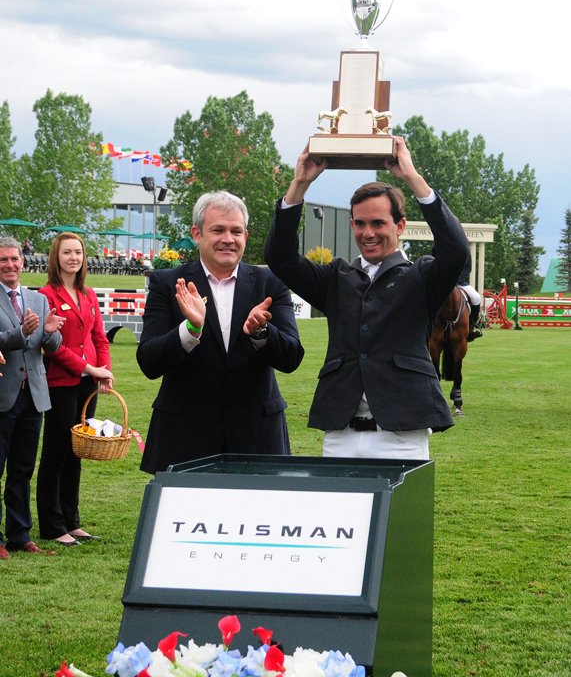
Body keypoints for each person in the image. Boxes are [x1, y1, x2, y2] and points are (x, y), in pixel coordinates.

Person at [264, 138, 470, 460]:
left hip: (402, 433)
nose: (368, 233)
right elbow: (280, 258)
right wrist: (299, 185)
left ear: (400, 226)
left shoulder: (422, 276)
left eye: (378, 223)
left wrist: (412, 178)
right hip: (341, 433)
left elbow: (456, 250)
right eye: (359, 223)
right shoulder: (336, 279)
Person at [137, 190, 304, 474]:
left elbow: (291, 358)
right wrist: (190, 330)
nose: (228, 238)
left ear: (245, 236)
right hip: (186, 439)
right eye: (218, 230)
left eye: (236, 231)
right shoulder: (167, 283)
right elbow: (149, 362)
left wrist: (261, 332)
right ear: (197, 233)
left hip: (256, 439)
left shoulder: (271, 283)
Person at [37, 233, 114, 546]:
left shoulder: (88, 293)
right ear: (56, 257)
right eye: (67, 252)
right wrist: (90, 368)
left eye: (78, 252)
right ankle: (53, 526)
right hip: (62, 382)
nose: (73, 257)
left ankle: (72, 521)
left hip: (87, 383)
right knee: (56, 454)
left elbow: (99, 337)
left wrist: (103, 370)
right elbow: (53, 347)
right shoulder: (46, 295)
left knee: (77, 452)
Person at [0, 236, 64, 559]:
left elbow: (51, 346)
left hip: (34, 395)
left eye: (14, 259)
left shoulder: (37, 299)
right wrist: (22, 333)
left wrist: (51, 332)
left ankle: (19, 534)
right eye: (3, 260)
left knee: (23, 469)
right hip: (3, 394)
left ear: (23, 261)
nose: (10, 265)